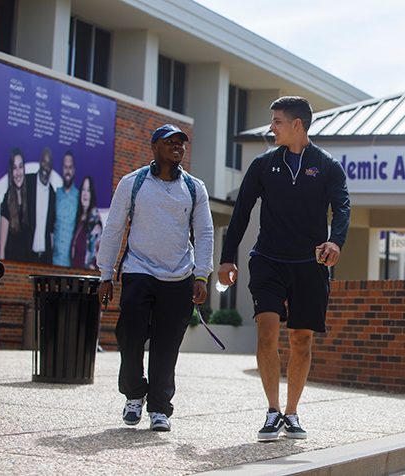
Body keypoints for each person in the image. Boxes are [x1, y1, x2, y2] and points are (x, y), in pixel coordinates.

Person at [218, 96, 350, 441]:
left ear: (297, 124)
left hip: (310, 264)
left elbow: (343, 207)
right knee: (266, 331)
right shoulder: (263, 165)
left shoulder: (327, 165)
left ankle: (292, 413)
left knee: (302, 340)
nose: (271, 127)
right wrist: (227, 257)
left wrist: (335, 240)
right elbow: (242, 211)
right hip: (268, 260)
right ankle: (272, 410)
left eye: (277, 121)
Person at [96, 124, 214, 432]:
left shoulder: (194, 187)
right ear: (154, 147)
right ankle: (134, 394)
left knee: (167, 345)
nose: (177, 147)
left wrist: (201, 274)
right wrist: (105, 274)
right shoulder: (132, 183)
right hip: (139, 270)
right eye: (170, 142)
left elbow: (203, 232)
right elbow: (114, 228)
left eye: (181, 143)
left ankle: (160, 408)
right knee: (129, 335)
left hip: (179, 277)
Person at [0, 148, 32, 261]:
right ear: (11, 172)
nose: (18, 172)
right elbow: (2, 247)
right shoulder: (7, 199)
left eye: (20, 167)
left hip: (27, 266)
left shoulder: (30, 197)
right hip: (11, 264)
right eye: (14, 168)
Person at [26, 147, 56, 263]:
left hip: (45, 258)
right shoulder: (28, 182)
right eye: (44, 161)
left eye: (49, 163)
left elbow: (52, 227)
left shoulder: (53, 194)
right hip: (27, 254)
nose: (45, 166)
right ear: (40, 162)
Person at [53, 151, 79, 267]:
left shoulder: (79, 197)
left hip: (71, 263)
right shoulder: (55, 195)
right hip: (53, 260)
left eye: (70, 167)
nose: (67, 171)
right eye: (65, 167)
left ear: (74, 170)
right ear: (62, 169)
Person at [71, 176, 102, 269]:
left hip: (85, 275)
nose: (85, 194)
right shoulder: (79, 218)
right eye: (83, 190)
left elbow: (94, 255)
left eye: (88, 190)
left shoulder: (94, 220)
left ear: (91, 194)